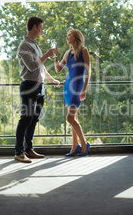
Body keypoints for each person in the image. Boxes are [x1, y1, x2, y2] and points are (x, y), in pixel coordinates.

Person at [14, 17, 60, 163]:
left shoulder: (35, 45)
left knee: (34, 119)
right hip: (29, 86)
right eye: (40, 27)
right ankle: (19, 152)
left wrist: (52, 80)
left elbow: (41, 67)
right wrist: (48, 54)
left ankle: (28, 149)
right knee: (25, 119)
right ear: (34, 27)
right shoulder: (24, 46)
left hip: (40, 86)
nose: (42, 31)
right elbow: (33, 66)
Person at [54, 29, 91, 156]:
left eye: (69, 35)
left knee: (70, 118)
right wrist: (55, 57)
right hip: (68, 88)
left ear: (76, 37)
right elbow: (58, 69)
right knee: (73, 118)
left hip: (78, 87)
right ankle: (75, 146)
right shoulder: (68, 53)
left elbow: (88, 72)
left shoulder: (84, 51)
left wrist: (84, 88)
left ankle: (84, 143)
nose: (67, 38)